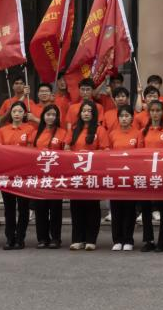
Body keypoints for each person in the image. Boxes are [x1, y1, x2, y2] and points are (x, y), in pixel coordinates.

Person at [67, 100, 105, 251]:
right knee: (76, 207)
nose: (86, 113)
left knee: (92, 207)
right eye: (84, 111)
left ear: (94, 113)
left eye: (89, 111)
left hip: (92, 174)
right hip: (75, 174)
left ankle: (90, 239)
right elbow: (66, 147)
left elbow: (106, 150)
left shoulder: (99, 130)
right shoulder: (74, 129)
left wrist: (89, 154)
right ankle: (77, 239)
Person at [0, 101, 36, 250]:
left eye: (20, 111)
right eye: (14, 111)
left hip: (23, 174)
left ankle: (20, 238)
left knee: (23, 207)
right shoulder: (3, 130)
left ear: (24, 113)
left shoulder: (30, 129)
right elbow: (0, 151)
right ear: (10, 113)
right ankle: (9, 238)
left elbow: (31, 151)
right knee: (9, 208)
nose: (17, 114)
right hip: (7, 174)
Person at [106, 105, 141, 251]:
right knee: (116, 209)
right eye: (121, 116)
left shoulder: (138, 133)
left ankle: (128, 239)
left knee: (129, 210)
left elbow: (141, 154)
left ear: (132, 117)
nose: (124, 118)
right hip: (116, 176)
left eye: (127, 115)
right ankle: (117, 239)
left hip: (131, 176)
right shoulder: (113, 134)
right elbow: (107, 153)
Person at [140, 99, 163, 253]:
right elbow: (138, 153)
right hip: (146, 173)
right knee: (146, 208)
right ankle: (149, 240)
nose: (155, 113)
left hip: (162, 173)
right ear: (149, 112)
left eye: (158, 110)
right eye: (152, 110)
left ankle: (162, 240)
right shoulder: (143, 131)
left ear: (162, 112)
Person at [32, 104, 66, 249]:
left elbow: (67, 153)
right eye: (48, 114)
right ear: (43, 116)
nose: (50, 117)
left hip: (56, 177)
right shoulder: (36, 132)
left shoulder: (62, 132)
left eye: (53, 114)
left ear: (57, 117)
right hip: (39, 177)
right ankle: (42, 238)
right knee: (40, 209)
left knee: (55, 209)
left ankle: (55, 238)